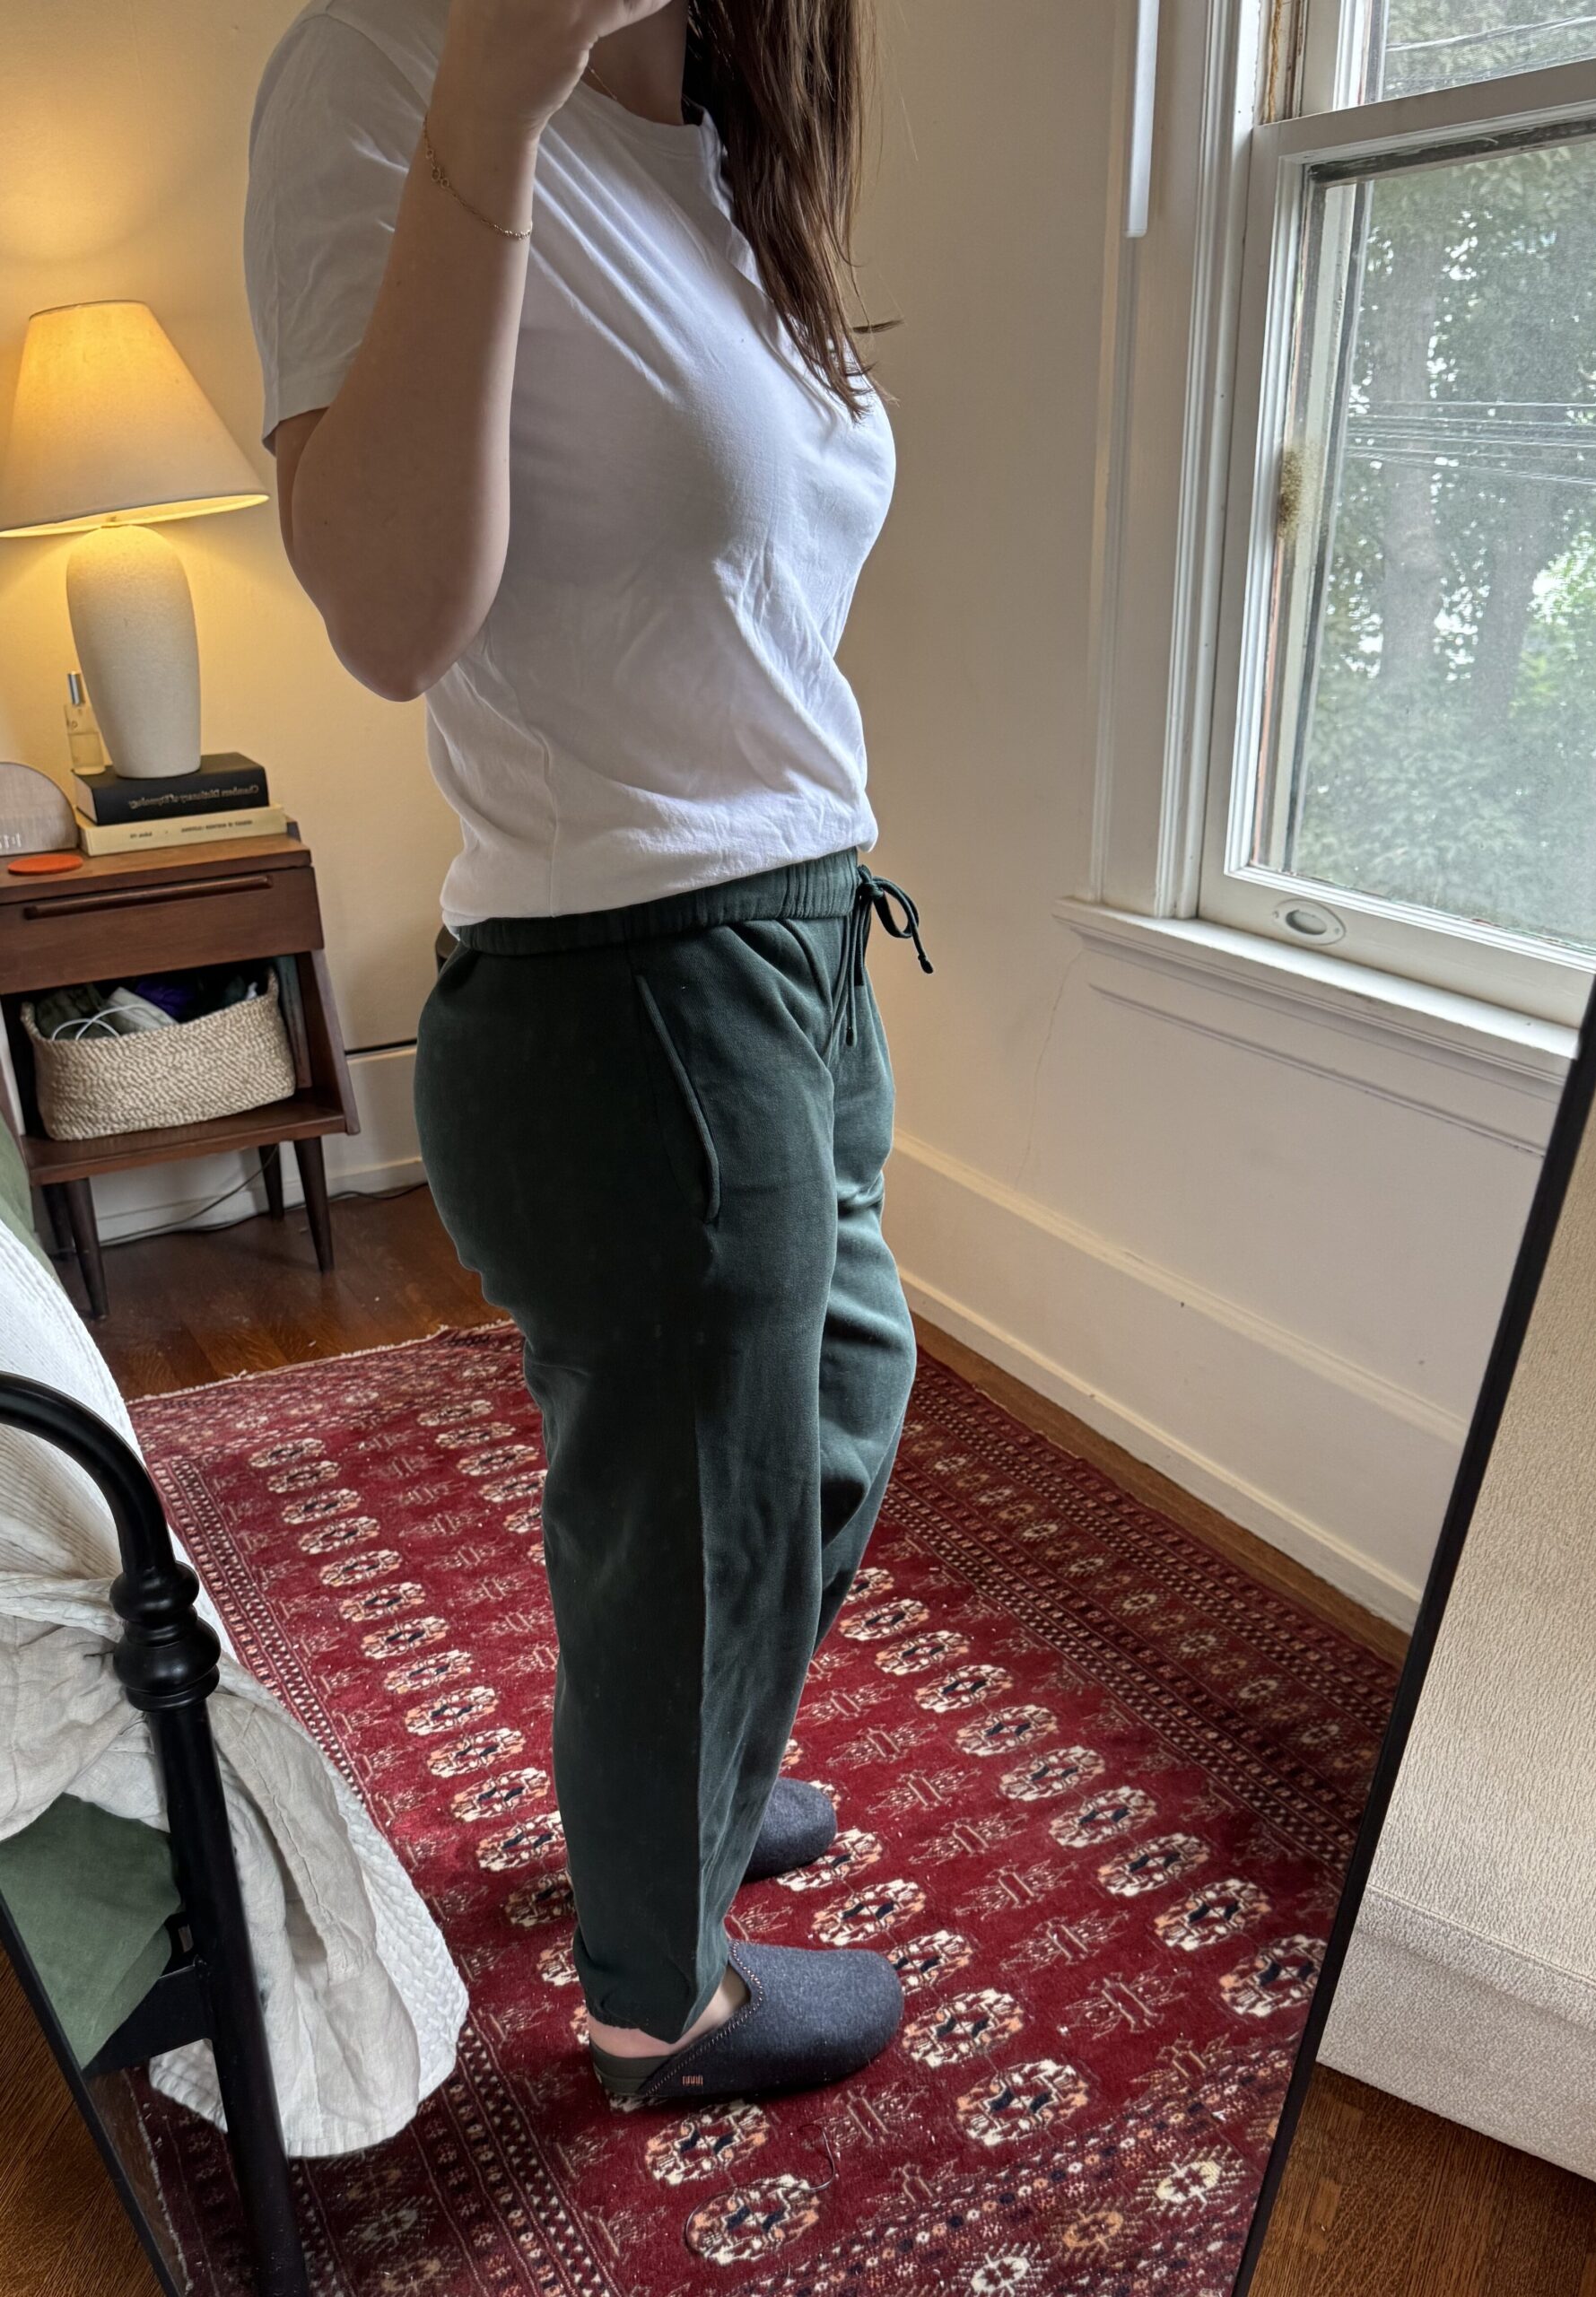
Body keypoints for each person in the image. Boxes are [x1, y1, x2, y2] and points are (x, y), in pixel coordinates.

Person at [245, 0, 929, 2105]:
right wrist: (494, 91)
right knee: (695, 1511)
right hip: (626, 974)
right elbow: (389, 616)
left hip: (798, 927)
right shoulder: (384, 72)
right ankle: (659, 1996)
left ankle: (677, 1783)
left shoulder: (733, 106)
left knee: (818, 1421)